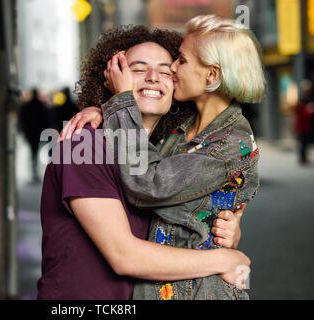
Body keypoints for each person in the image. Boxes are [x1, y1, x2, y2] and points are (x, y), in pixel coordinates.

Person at [37, 25, 249, 300]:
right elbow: (124, 256)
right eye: (137, 69)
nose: (152, 78)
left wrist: (225, 229)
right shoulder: (84, 145)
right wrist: (226, 259)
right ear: (112, 79)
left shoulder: (163, 157)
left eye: (165, 71)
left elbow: (188, 225)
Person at [19, 88, 50, 182]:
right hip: (38, 133)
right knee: (36, 151)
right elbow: (45, 119)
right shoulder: (40, 105)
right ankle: (36, 172)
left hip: (30, 133)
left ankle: (34, 171)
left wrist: (24, 131)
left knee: (33, 152)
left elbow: (23, 120)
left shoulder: (27, 106)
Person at [293, 80, 314, 165]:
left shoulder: (305, 100)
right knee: (303, 144)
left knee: (305, 143)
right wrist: (310, 110)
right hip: (302, 127)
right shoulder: (301, 101)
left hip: (305, 126)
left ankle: (304, 158)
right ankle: (302, 158)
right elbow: (303, 114)